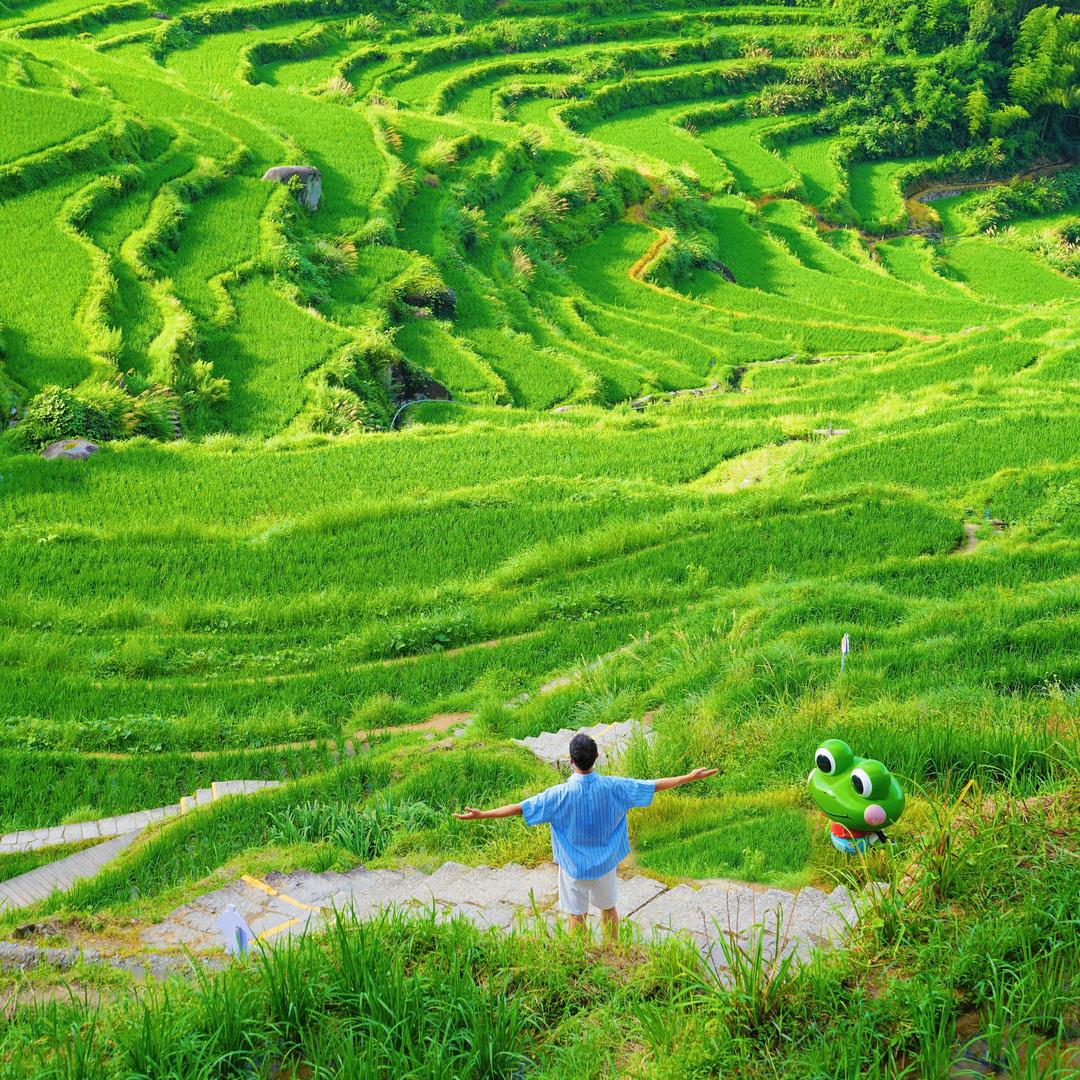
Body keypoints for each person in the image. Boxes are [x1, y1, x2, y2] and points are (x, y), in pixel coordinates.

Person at [452, 731, 717, 939]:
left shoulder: (558, 795)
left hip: (573, 868)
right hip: (605, 864)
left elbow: (521, 809)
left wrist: (483, 814)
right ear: (596, 756)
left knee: (576, 915)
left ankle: (580, 958)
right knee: (608, 908)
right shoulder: (615, 787)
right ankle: (613, 950)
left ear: (570, 760)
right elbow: (652, 786)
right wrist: (687, 777)